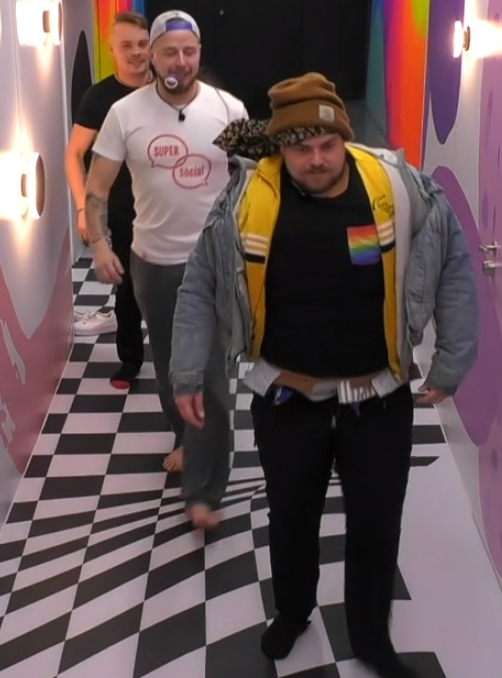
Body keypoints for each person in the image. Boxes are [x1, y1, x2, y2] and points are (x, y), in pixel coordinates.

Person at [167, 72, 480, 677]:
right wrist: (186, 371)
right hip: (288, 399)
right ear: (280, 148)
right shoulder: (246, 200)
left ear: (345, 137)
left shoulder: (396, 187)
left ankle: (370, 637)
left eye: (328, 145)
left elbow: (455, 266)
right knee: (290, 517)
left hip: (378, 399)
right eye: (302, 148)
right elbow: (200, 285)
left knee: (376, 524)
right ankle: (292, 612)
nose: (317, 159)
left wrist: (452, 359)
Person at [84, 10, 249, 522]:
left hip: (214, 262)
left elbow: (256, 182)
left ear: (199, 53)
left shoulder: (227, 110)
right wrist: (100, 245)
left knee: (210, 374)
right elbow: (96, 188)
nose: (180, 61)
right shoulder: (125, 113)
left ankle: (204, 490)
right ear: (152, 56)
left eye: (189, 51)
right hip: (153, 262)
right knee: (169, 366)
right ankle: (186, 437)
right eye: (170, 52)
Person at [64, 11, 151, 390]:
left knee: (182, 287)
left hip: (170, 208)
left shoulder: (169, 88)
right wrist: (83, 208)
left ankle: (181, 363)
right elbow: (74, 153)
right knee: (128, 284)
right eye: (127, 45)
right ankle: (130, 359)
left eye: (143, 44)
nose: (136, 52)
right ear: (112, 49)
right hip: (123, 209)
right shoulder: (98, 98)